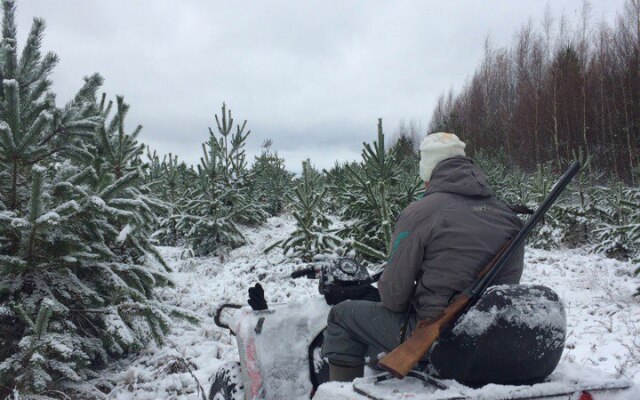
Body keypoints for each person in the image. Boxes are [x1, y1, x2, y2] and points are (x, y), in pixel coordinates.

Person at [321, 132, 525, 382]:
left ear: (428, 172)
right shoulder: (507, 215)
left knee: (342, 316)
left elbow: (393, 296)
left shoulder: (421, 212)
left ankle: (339, 394)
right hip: (492, 335)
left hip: (439, 336)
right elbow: (508, 284)